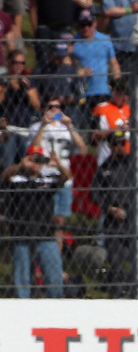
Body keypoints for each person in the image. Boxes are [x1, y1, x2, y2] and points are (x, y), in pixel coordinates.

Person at [3, 146, 68, 298]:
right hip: (22, 235)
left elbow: (66, 178)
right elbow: (4, 177)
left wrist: (58, 165)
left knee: (54, 278)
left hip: (46, 235)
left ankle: (56, 307)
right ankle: (23, 309)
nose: (36, 164)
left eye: (39, 161)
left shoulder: (47, 179)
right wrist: (21, 165)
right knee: (22, 280)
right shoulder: (17, 178)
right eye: (33, 160)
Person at [26, 96, 85, 246]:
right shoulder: (36, 127)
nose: (54, 110)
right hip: (43, 177)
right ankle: (41, 261)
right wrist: (44, 125)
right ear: (43, 109)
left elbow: (82, 149)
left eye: (57, 107)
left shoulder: (66, 128)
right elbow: (33, 148)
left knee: (59, 221)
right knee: (45, 219)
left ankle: (56, 263)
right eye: (50, 106)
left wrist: (69, 124)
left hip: (63, 177)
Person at [90, 131, 134, 295]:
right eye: (116, 144)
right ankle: (116, 289)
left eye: (123, 143)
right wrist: (109, 208)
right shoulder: (104, 168)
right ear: (110, 146)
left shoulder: (133, 164)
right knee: (115, 258)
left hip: (133, 218)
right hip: (112, 218)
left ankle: (136, 288)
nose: (120, 147)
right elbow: (94, 193)